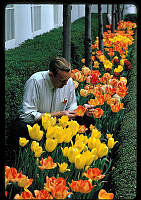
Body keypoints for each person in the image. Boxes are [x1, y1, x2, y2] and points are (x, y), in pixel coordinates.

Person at [7, 57, 95, 163]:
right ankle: (20, 161)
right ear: (51, 75)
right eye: (62, 81)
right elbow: (27, 115)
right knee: (19, 127)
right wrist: (59, 114)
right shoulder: (35, 81)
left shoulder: (68, 81)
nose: (66, 84)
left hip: (60, 124)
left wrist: (82, 110)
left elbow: (71, 106)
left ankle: (73, 157)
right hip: (38, 125)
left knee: (87, 120)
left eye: (67, 79)